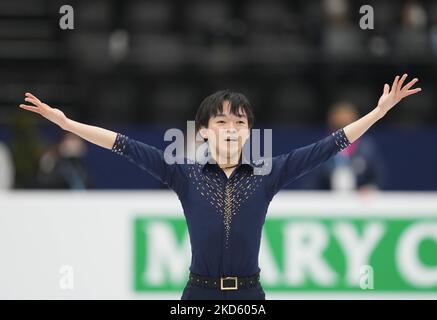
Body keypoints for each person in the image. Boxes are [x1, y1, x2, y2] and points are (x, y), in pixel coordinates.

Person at [18, 74, 421, 300]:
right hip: (197, 297)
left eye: (240, 122)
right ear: (205, 132)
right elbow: (121, 143)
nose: (231, 129)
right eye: (222, 122)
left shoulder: (268, 173)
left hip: (249, 298)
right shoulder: (183, 173)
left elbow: (330, 144)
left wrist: (377, 112)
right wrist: (68, 125)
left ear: (249, 132)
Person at [303, 101, 386, 193]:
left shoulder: (366, 147)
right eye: (339, 117)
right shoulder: (322, 147)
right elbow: (312, 180)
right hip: (328, 200)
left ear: (356, 120)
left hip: (360, 200)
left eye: (346, 116)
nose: (342, 120)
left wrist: (371, 187)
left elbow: (378, 175)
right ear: (331, 120)